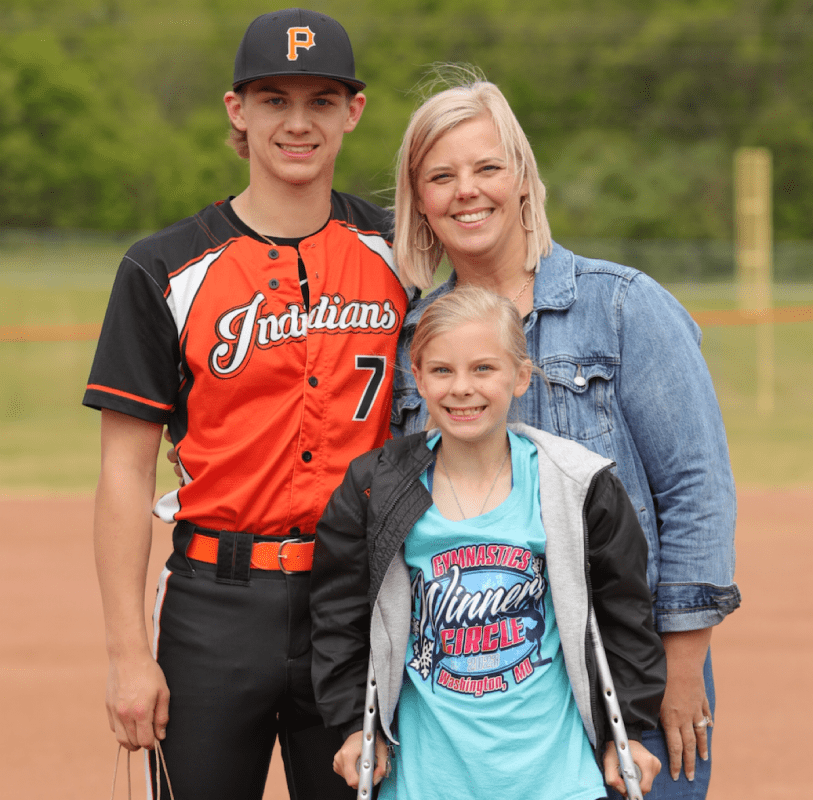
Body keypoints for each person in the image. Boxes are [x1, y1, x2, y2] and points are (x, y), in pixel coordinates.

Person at [83, 9, 410, 800]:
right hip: (212, 606)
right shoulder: (164, 266)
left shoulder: (406, 255)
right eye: (273, 99)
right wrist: (130, 654)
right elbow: (125, 471)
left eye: (320, 101)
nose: (297, 123)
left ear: (352, 112)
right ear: (237, 109)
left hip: (358, 602)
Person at [389, 70, 741, 799]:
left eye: (487, 167)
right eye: (441, 176)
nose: (467, 190)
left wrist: (679, 672)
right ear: (418, 202)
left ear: (522, 178)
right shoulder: (411, 339)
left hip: (625, 662)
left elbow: (695, 488)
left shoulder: (620, 308)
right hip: (486, 681)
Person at [310, 285, 667, 799]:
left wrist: (626, 731)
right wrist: (352, 724)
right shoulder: (377, 488)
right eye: (442, 371)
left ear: (520, 376)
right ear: (417, 379)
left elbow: (624, 616)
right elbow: (338, 615)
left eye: (483, 369)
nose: (462, 388)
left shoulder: (575, 486)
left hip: (554, 778)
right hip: (428, 779)